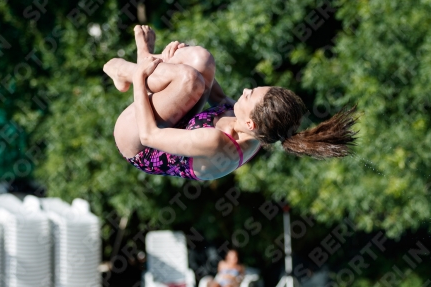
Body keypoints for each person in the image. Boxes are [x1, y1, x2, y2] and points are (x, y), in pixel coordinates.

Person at [104, 25, 357, 181]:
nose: (244, 90)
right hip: (171, 124)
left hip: (139, 142)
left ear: (251, 122)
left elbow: (149, 135)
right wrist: (174, 61)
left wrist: (140, 78)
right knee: (201, 60)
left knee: (186, 78)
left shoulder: (218, 142)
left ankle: (131, 67)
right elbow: (208, 82)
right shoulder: (256, 127)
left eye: (248, 95)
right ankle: (148, 62)